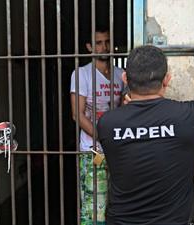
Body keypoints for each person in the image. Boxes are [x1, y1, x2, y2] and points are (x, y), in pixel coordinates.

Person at [97, 45, 194, 225]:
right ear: (167, 79)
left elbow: (138, 136)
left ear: (125, 78)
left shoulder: (107, 124)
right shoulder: (190, 115)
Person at [70, 26, 124, 224]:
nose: (104, 47)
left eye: (107, 41)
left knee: (119, 204)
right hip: (93, 151)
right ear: (89, 47)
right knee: (94, 206)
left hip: (119, 150)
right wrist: (103, 138)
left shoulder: (121, 74)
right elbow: (77, 114)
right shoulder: (81, 74)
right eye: (99, 43)